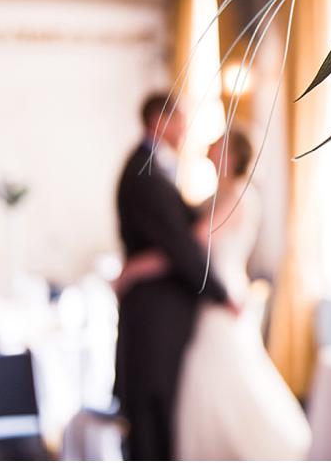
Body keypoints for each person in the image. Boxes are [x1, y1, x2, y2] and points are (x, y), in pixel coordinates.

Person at [114, 93, 237, 461]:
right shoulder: (144, 172)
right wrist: (219, 292)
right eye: (180, 120)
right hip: (155, 312)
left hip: (162, 308)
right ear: (158, 120)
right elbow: (179, 244)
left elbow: (180, 233)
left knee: (161, 403)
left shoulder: (153, 168)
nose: (184, 129)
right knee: (152, 404)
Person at [174, 130, 311, 460]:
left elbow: (197, 238)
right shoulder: (217, 194)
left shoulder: (240, 193)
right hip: (213, 291)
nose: (210, 143)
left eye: (218, 142)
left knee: (223, 365)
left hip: (225, 295)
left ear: (231, 155)